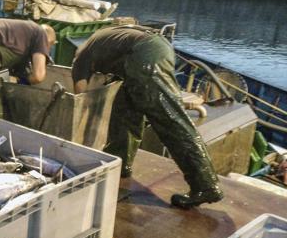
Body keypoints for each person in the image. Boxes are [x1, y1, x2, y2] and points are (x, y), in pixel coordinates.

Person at [71, 25, 224, 208]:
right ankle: (120, 164)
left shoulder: (81, 57)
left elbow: (80, 95)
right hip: (156, 47)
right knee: (124, 108)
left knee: (171, 120)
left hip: (144, 58)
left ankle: (205, 185)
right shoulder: (101, 37)